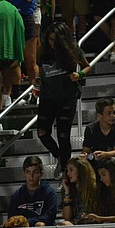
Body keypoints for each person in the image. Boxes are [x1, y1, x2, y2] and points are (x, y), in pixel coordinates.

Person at [37, 21, 91, 176]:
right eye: (50, 40)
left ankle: (66, 170)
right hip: (47, 97)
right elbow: (39, 70)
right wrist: (37, 79)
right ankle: (59, 156)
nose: (52, 43)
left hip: (67, 96)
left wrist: (79, 75)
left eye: (55, 40)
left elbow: (87, 66)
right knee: (42, 132)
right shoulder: (43, 52)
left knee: (63, 134)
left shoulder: (73, 50)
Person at [7, 156, 57, 228]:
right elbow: (11, 218)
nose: (31, 176)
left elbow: (49, 216)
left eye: (35, 172)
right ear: (24, 174)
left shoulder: (49, 192)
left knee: (39, 226)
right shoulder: (17, 195)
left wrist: (27, 222)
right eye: (28, 172)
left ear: (41, 173)